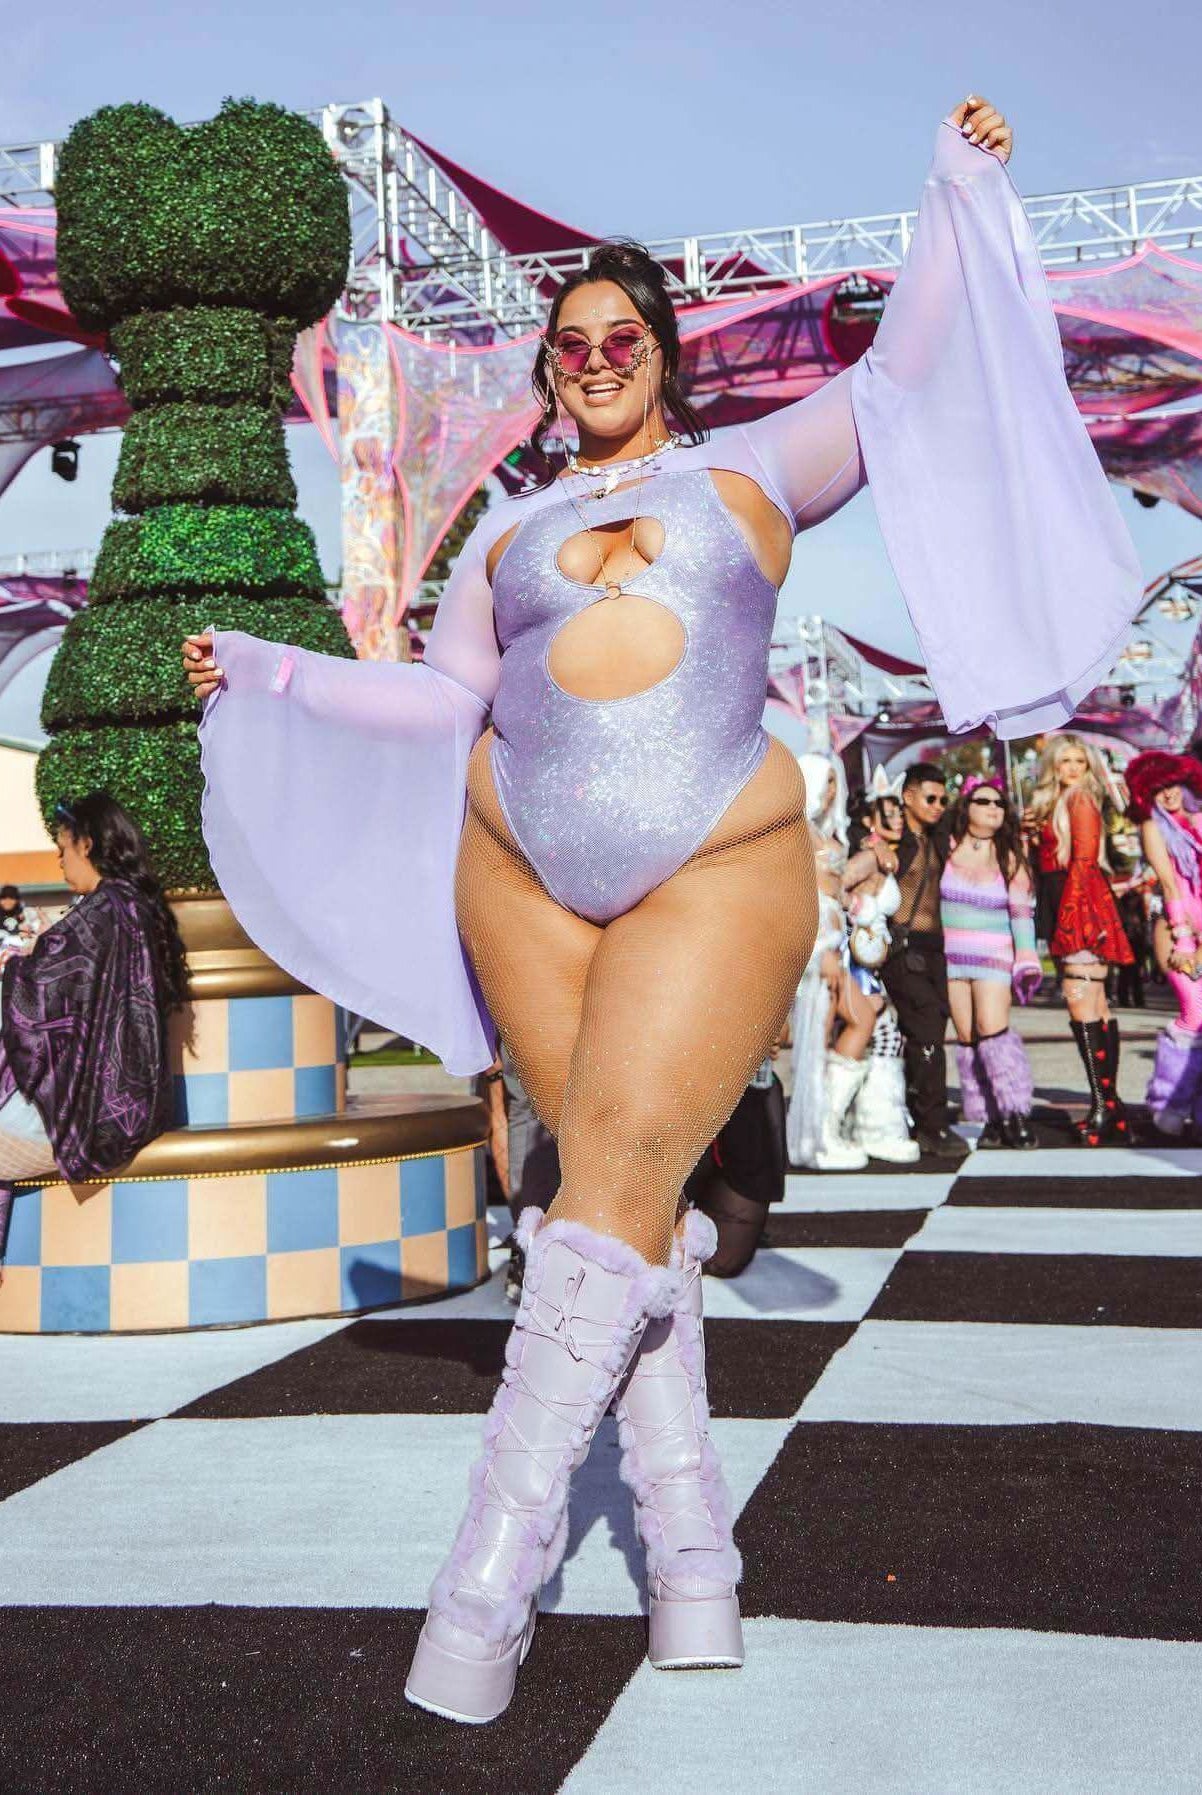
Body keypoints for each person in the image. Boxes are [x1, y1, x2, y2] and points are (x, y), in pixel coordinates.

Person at [184, 95, 1143, 1724]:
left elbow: (903, 371)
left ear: (665, 354)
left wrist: (946, 190)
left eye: (620, 335)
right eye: (569, 343)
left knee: (621, 1168)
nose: (593, 358)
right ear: (548, 368)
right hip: (517, 872)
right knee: (608, 1201)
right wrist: (275, 672)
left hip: (715, 853)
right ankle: (692, 1554)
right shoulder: (506, 528)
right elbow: (443, 702)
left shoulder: (757, 466)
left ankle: (485, 1579)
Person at [0, 795, 187, 1237]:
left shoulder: (103, 912)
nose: (59, 860)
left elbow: (38, 994)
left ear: (86, 844)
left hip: (85, 1113)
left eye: (63, 849)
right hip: (124, 1104)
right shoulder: (135, 907)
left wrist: (15, 967)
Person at [1029, 734, 1132, 1145]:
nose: (1073, 769)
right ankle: (1109, 1109)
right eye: (1066, 761)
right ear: (1053, 764)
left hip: (1078, 901)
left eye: (1080, 762)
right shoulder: (1056, 802)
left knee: (1082, 998)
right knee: (1093, 1001)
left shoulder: (1081, 799)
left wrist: (1070, 917)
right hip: (1067, 898)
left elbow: (1085, 861)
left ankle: (1105, 1107)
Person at [786, 753, 886, 1171]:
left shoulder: (824, 832)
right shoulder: (797, 831)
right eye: (824, 781)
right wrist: (818, 952)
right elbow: (797, 892)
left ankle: (825, 1127)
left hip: (835, 940)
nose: (831, 790)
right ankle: (815, 1138)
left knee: (862, 1018)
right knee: (816, 1039)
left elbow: (835, 886)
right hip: (816, 946)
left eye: (834, 781)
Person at [941, 776, 1042, 1148]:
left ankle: (1016, 1113)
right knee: (967, 1039)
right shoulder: (946, 848)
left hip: (994, 957)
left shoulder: (1009, 857)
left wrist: (1026, 958)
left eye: (999, 803)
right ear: (966, 807)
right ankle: (988, 1119)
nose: (993, 808)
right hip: (952, 959)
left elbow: (1022, 914)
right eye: (983, 801)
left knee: (992, 1030)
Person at [880, 764, 967, 1159]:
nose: (937, 806)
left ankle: (920, 1118)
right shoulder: (894, 839)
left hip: (936, 948)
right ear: (908, 797)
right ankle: (931, 1126)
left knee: (931, 1029)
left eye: (943, 800)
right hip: (903, 948)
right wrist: (871, 840)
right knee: (927, 1026)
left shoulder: (938, 837)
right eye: (930, 798)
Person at [1124, 752, 1202, 1135]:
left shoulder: (1199, 819)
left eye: (1172, 785)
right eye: (1158, 789)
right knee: (1194, 1014)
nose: (1168, 794)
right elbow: (1170, 886)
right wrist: (1184, 938)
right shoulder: (1153, 827)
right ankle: (1169, 1102)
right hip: (1177, 926)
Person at [845, 793, 920, 1163]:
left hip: (872, 964)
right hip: (854, 965)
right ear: (869, 819)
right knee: (882, 1036)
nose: (897, 819)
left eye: (899, 813)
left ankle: (870, 1127)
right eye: (887, 814)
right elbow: (833, 891)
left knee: (881, 1039)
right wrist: (857, 916)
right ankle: (868, 1128)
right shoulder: (866, 857)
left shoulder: (882, 855)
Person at [0, 885, 44, 971]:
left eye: (11, 898)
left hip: (21, 957)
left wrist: (29, 933)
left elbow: (36, 931)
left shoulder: (26, 913)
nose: (7, 901)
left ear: (17, 900)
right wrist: (17, 931)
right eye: (4, 898)